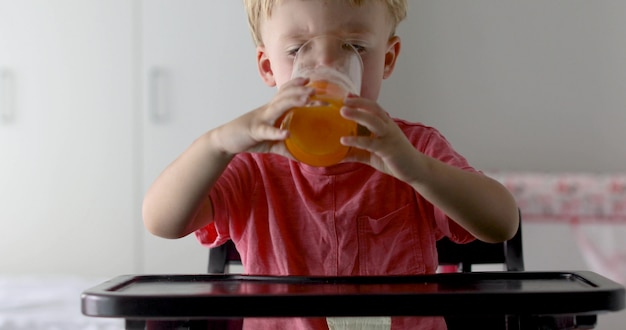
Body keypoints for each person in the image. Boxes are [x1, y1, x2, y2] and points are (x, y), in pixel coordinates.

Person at [142, 0, 519, 329]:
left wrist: (417, 170)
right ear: (268, 66)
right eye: (297, 50)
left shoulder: (411, 149)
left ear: (386, 59)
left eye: (353, 47)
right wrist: (217, 144)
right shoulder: (253, 162)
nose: (324, 65)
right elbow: (161, 221)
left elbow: (502, 223)